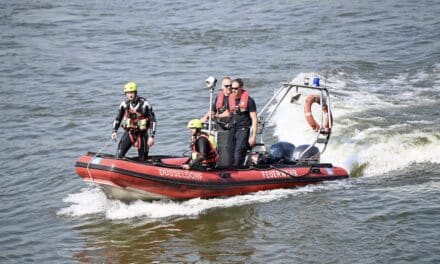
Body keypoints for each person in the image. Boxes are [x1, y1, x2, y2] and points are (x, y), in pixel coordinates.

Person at [111, 81, 157, 160]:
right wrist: (114, 131)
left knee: (143, 159)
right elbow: (118, 118)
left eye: (131, 92)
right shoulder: (124, 104)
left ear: (135, 92)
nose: (130, 95)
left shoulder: (145, 104)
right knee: (119, 155)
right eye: (128, 93)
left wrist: (152, 136)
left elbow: (153, 120)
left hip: (142, 134)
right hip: (130, 133)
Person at [227, 78, 258, 167]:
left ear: (241, 88)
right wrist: (215, 115)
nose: (233, 90)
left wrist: (253, 136)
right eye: (232, 88)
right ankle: (230, 171)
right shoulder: (230, 99)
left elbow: (254, 119)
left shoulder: (249, 101)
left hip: (243, 129)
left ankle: (239, 170)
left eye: (236, 88)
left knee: (239, 153)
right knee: (230, 153)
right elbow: (228, 113)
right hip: (232, 128)